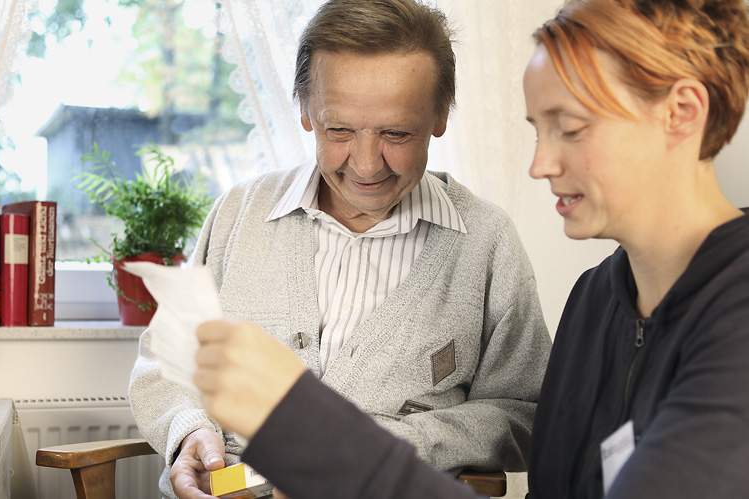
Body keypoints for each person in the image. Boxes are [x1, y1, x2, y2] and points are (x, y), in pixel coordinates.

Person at [192, 0, 749, 498]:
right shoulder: (595, 301)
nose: (540, 165)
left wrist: (308, 437)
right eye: (538, 129)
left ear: (682, 113)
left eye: (571, 128)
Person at [129, 1, 551, 497]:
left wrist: (379, 445)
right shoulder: (238, 213)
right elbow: (167, 362)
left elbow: (522, 412)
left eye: (396, 133)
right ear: (306, 112)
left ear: (440, 116)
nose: (368, 165)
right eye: (340, 131)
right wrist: (190, 429)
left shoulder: (486, 242)